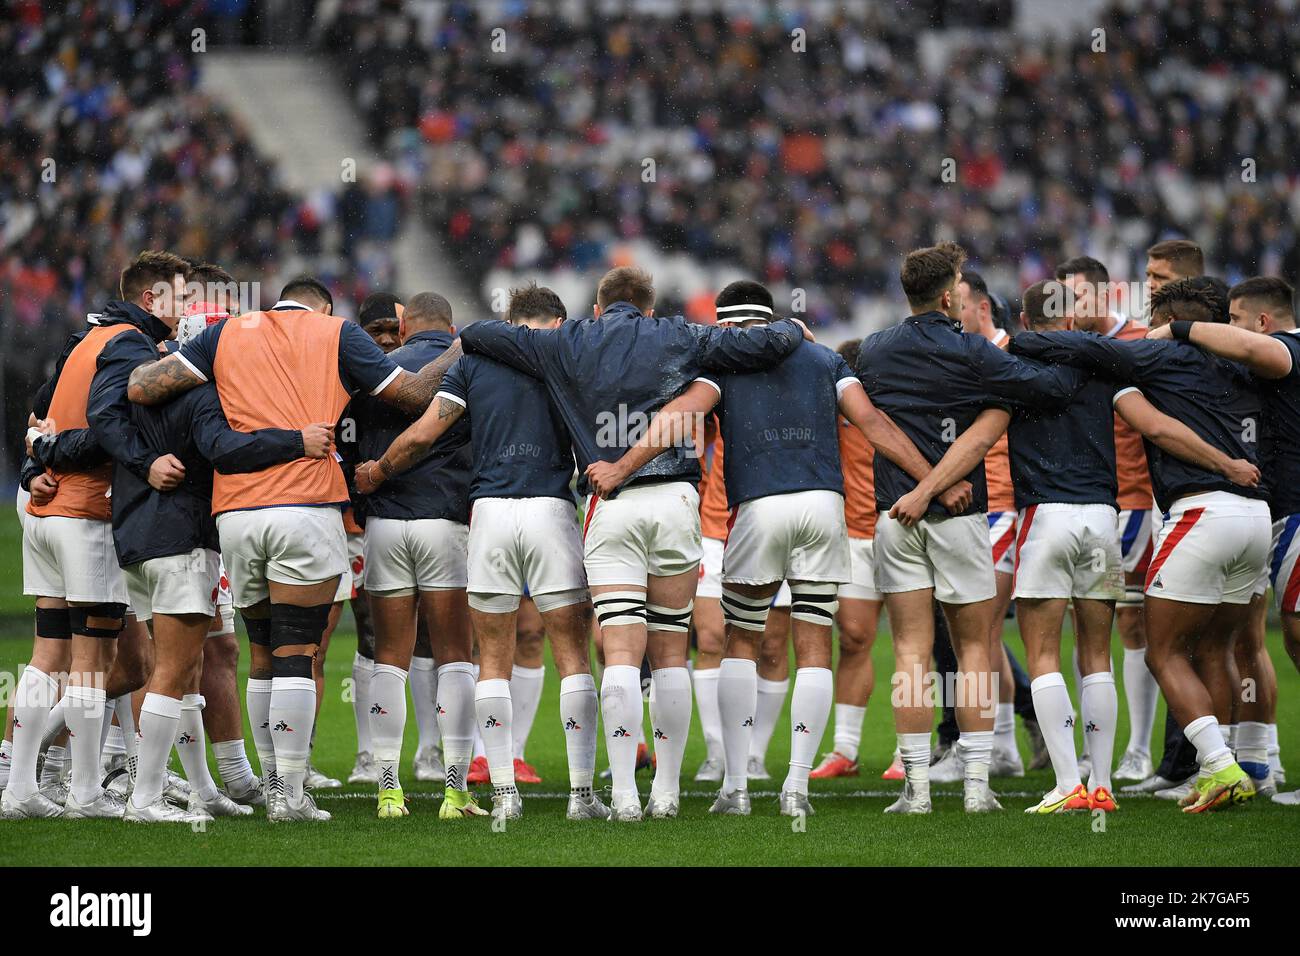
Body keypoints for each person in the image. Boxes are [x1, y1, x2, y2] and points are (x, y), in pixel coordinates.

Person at [457, 266, 810, 821]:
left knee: (620, 651)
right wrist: (793, 328)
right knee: (671, 652)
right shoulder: (678, 334)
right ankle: (665, 795)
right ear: (648, 309)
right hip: (673, 498)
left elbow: (478, 334)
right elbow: (763, 345)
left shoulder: (567, 340)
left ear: (596, 309)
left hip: (610, 498)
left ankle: (620, 796)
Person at [588, 279, 938, 817]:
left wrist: (621, 467)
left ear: (727, 323)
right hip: (825, 506)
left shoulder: (723, 367)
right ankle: (796, 787)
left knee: (742, 644)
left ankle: (737, 786)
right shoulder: (825, 360)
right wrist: (931, 480)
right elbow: (872, 422)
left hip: (759, 509)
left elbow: (675, 418)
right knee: (815, 644)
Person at [126, 275, 458, 821]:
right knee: (297, 653)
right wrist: (461, 346)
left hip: (234, 512)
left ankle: (266, 781)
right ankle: (289, 794)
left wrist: (158, 361)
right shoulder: (336, 333)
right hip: (305, 506)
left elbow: (142, 387)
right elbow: (417, 395)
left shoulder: (225, 336)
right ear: (322, 306)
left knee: (260, 655)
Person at [1013, 278, 1267, 813]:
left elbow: (990, 422)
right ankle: (1113, 783)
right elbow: (1150, 418)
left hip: (1072, 515)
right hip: (1129, 520)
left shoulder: (1021, 365)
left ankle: (1071, 785)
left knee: (1089, 652)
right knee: (1117, 656)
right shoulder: (1242, 366)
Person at [358, 282, 607, 821]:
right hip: (548, 508)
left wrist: (377, 470)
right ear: (557, 322)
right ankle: (583, 795)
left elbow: (424, 434)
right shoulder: (568, 359)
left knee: (490, 658)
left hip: (488, 514)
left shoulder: (474, 363)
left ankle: (502, 795)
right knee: (570, 656)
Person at [864, 240, 1080, 815]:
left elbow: (871, 421)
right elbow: (1052, 389)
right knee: (973, 650)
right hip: (960, 516)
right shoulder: (976, 352)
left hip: (894, 513)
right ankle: (979, 787)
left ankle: (915, 791)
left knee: (910, 650)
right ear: (946, 294)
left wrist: (915, 488)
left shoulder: (875, 352)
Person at [1145, 276, 1296, 803]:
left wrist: (1174, 332)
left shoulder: (1278, 350)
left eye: (1233, 320)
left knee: (1172, 650)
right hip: (1263, 515)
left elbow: (1163, 430)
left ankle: (1230, 764)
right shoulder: (1240, 367)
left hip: (1241, 512)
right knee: (1235, 645)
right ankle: (1247, 765)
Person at [348, 291, 477, 819]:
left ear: (405, 326)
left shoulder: (375, 373)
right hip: (444, 523)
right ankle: (453, 788)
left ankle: (386, 788)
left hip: (383, 527)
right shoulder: (470, 366)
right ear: (450, 327)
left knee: (390, 656)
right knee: (452, 656)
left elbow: (351, 446)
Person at [1054, 254, 1159, 782]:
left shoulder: (1141, 342)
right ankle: (1090, 749)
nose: (1069, 309)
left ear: (1104, 294)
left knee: (1136, 622)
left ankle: (1139, 747)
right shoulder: (1068, 349)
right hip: (1090, 507)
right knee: (1086, 625)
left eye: (1077, 298)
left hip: (1137, 505)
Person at [811, 338, 886, 781]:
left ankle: (910, 752)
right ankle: (846, 750)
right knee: (855, 638)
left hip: (903, 532)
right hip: (854, 537)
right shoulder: (829, 414)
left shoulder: (898, 408)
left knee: (921, 645)